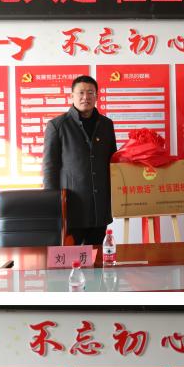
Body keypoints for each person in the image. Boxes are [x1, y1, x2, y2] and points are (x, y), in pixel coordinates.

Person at [42, 75, 118, 246]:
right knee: (70, 256)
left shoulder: (106, 125)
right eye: (81, 93)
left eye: (90, 93)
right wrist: (51, 202)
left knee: (97, 254)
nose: (86, 97)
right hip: (71, 207)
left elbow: (113, 161)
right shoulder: (57, 125)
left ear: (96, 96)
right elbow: (49, 167)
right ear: (72, 96)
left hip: (100, 206)